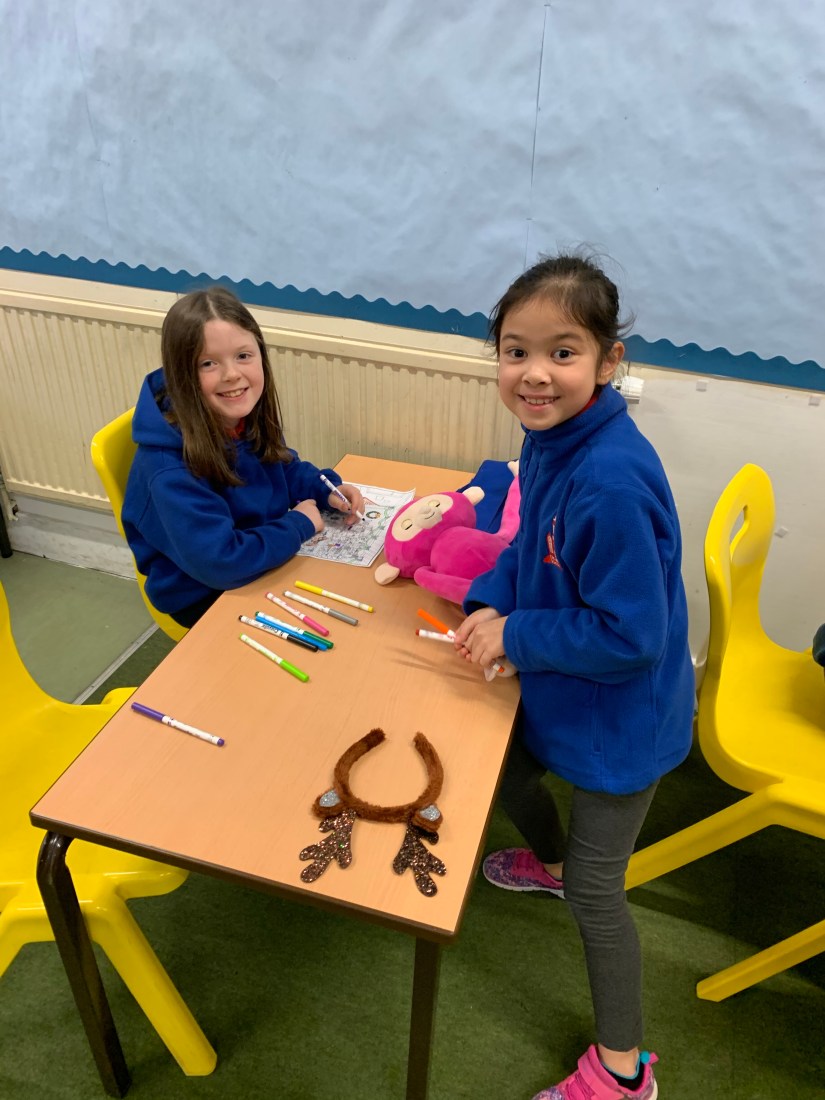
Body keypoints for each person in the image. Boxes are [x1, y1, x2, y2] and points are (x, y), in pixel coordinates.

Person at [453, 253, 694, 1099]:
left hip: (621, 723)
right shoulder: (554, 438)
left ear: (606, 361)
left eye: (561, 352)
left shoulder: (608, 479)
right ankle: (551, 862)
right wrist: (491, 597)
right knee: (505, 767)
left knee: (599, 897)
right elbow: (530, 543)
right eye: (514, 351)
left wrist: (517, 632)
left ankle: (622, 1073)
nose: (533, 373)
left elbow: (631, 637)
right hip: (570, 692)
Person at [122, 286, 364, 628]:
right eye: (208, 363)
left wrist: (325, 489)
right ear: (181, 375)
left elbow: (281, 465)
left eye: (243, 356)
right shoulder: (168, 470)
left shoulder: (238, 416)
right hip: (205, 593)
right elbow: (221, 563)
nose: (232, 374)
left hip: (257, 552)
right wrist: (298, 525)